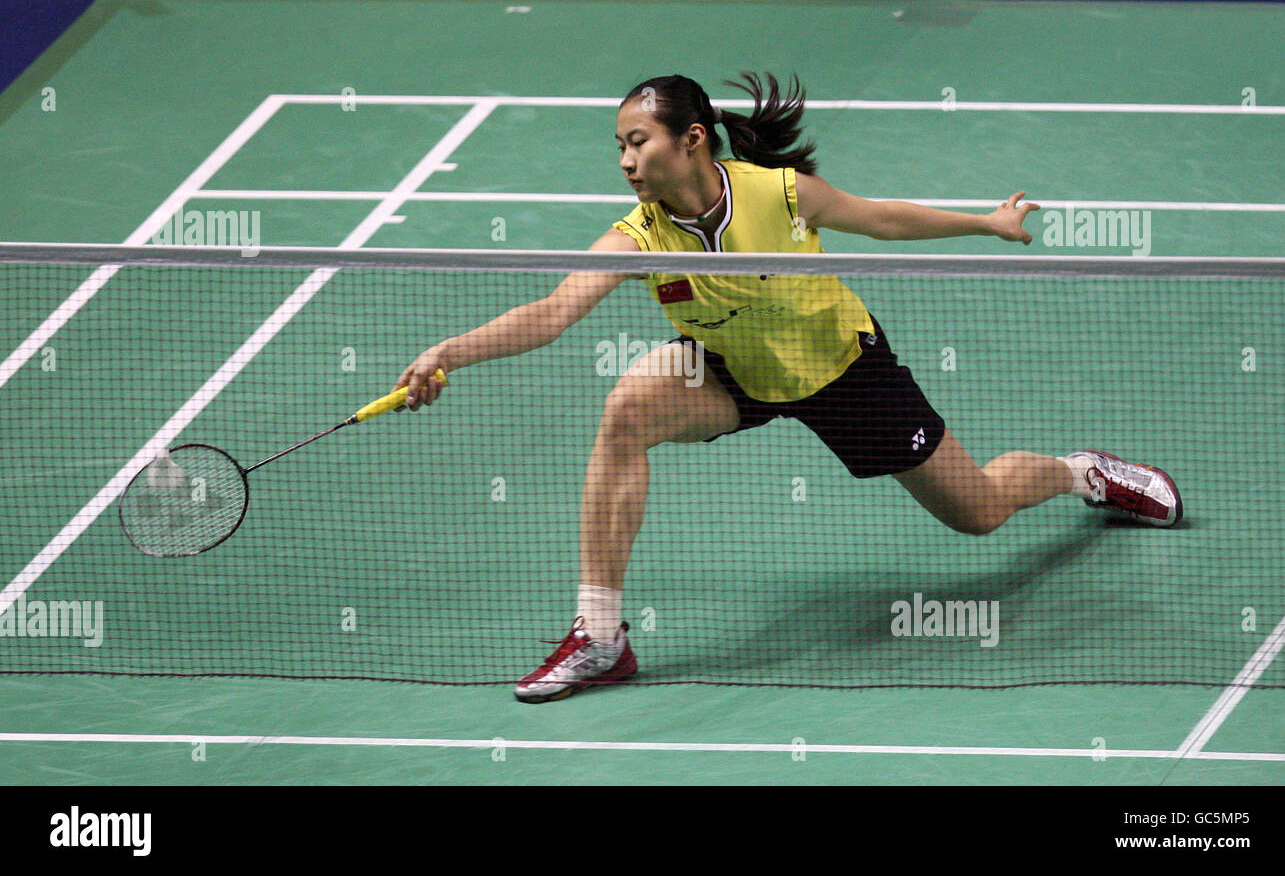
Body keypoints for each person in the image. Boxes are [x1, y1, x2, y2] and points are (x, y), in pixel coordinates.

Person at [395, 72, 1182, 704]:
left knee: (977, 511)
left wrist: (985, 223)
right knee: (628, 406)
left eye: (638, 141)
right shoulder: (639, 235)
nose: (627, 161)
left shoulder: (779, 194)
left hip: (844, 371)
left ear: (692, 139)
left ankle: (1084, 472)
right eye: (620, 147)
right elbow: (552, 312)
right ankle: (601, 634)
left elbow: (880, 220)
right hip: (733, 372)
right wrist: (447, 354)